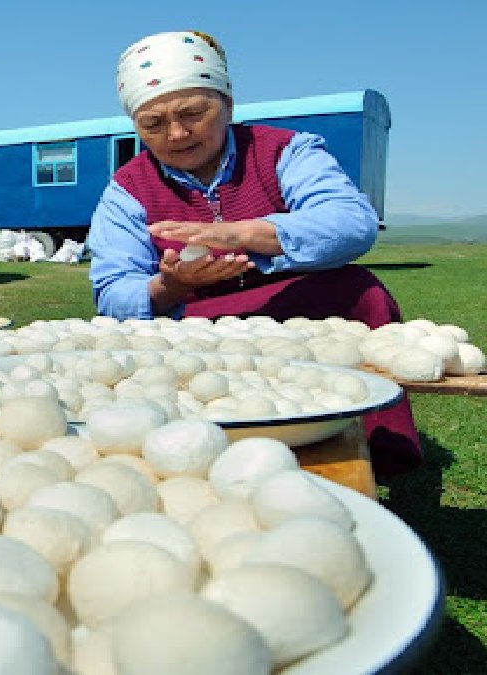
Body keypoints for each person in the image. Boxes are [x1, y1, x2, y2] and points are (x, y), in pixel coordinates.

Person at [87, 31, 421, 475]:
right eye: (153, 124)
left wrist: (243, 234)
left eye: (194, 113)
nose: (177, 133)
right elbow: (112, 291)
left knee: (360, 291)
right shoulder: (127, 190)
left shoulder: (286, 151)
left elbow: (351, 222)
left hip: (297, 306)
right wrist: (169, 285)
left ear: (227, 102)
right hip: (199, 323)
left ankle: (381, 445)